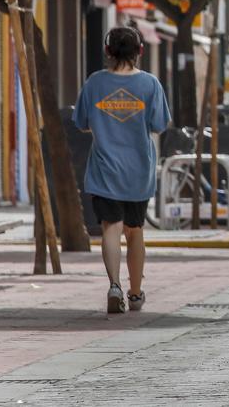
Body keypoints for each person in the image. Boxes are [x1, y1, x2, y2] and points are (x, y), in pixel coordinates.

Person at [73, 26, 170, 314]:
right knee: (135, 230)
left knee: (111, 229)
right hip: (139, 172)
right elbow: (159, 124)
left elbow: (80, 121)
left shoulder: (94, 83)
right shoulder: (151, 85)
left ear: (108, 51)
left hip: (105, 169)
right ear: (140, 52)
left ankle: (114, 285)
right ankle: (136, 292)